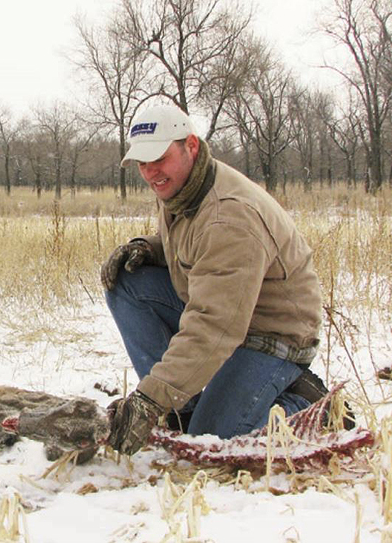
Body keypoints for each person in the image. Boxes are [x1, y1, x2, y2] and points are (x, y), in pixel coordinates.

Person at [103, 104, 327, 456]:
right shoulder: (182, 186)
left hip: (270, 333)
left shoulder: (230, 215)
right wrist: (149, 249)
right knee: (129, 282)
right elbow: (198, 251)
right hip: (227, 308)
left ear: (190, 145)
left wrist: (151, 398)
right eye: (142, 163)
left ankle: (307, 406)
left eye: (158, 158)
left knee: (213, 441)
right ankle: (183, 407)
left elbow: (215, 324)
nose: (150, 173)